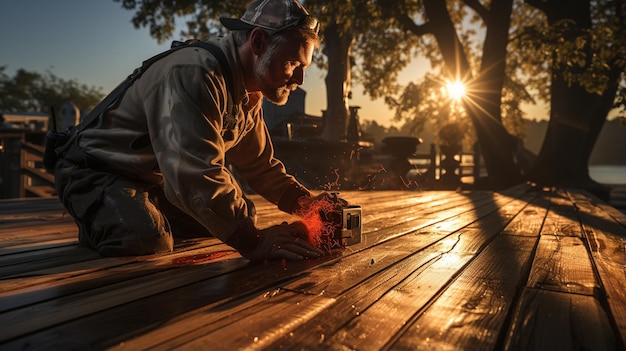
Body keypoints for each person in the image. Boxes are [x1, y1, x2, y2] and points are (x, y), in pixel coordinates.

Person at [53, 0, 345, 262]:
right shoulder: (196, 75)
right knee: (146, 239)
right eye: (293, 63)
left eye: (303, 66)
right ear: (258, 42)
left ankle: (137, 211)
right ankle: (102, 218)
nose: (300, 78)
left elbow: (258, 165)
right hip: (94, 170)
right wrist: (255, 242)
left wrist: (306, 204)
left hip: (154, 180)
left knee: (243, 214)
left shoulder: (249, 88)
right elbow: (194, 173)